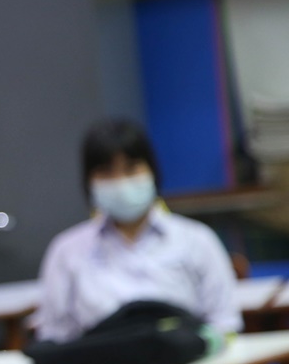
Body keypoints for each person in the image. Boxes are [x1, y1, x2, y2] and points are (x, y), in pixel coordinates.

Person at [32, 118, 243, 343]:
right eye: (106, 172)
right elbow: (55, 337)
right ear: (88, 181)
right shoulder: (66, 251)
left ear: (152, 170)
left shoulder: (197, 240)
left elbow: (225, 325)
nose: (120, 182)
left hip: (187, 362)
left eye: (131, 168)